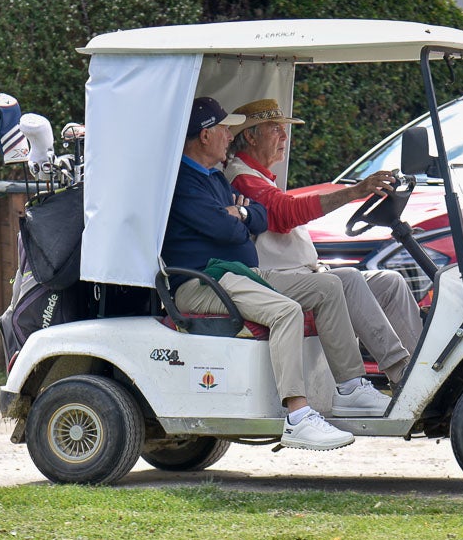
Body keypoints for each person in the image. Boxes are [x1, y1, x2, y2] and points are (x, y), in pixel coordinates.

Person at [161, 97, 391, 451]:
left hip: (236, 275)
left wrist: (239, 213)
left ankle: (350, 387)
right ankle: (298, 416)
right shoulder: (185, 183)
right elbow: (229, 229)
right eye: (223, 128)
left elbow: (259, 218)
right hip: (205, 282)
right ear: (204, 136)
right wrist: (239, 215)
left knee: (328, 287)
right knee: (286, 311)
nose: (228, 135)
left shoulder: (213, 178)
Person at [225, 98, 423, 386]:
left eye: (284, 129)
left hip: (302, 278)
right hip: (278, 283)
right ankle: (400, 372)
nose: (284, 136)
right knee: (349, 279)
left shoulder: (259, 177)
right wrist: (355, 192)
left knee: (390, 283)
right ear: (250, 136)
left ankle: (425, 369)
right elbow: (285, 213)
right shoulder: (242, 177)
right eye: (275, 129)